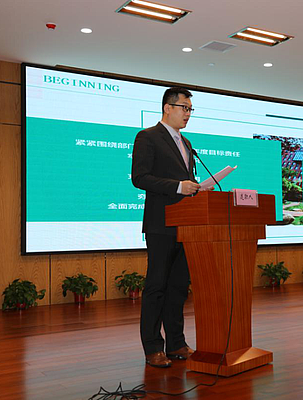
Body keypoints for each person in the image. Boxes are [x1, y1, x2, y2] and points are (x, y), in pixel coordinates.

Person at [131, 87, 201, 368]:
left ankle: (176, 343)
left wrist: (196, 188)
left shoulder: (186, 143)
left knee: (179, 287)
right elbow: (140, 177)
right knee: (157, 286)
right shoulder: (148, 137)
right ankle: (152, 347)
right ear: (167, 108)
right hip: (160, 224)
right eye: (184, 108)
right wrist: (178, 187)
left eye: (190, 109)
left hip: (186, 224)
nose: (188, 114)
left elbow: (185, 180)